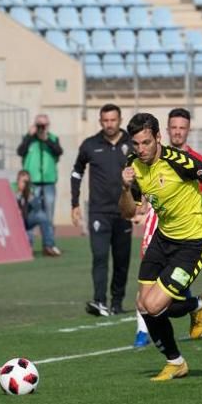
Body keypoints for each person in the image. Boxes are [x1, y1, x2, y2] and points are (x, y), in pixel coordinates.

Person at [120, 112, 202, 381]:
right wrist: (124, 188)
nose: (141, 149)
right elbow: (128, 211)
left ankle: (196, 305)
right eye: (136, 144)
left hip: (193, 242)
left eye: (146, 142)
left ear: (158, 137)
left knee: (154, 305)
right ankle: (176, 361)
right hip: (163, 238)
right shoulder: (133, 166)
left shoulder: (180, 162)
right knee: (142, 305)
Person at [133, 108, 202, 349]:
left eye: (182, 128)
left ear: (188, 130)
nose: (177, 132)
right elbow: (143, 194)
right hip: (158, 229)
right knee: (145, 293)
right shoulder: (149, 158)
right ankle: (142, 331)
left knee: (168, 298)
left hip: (187, 234)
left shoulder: (194, 160)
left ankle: (196, 306)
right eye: (174, 127)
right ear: (165, 131)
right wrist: (140, 211)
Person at [71, 104, 133, 316]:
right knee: (99, 257)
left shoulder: (132, 144)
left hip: (124, 211)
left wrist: (142, 203)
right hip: (98, 212)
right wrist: (75, 203)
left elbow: (144, 175)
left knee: (122, 260)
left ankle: (117, 302)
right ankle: (100, 302)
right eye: (105, 121)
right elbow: (76, 173)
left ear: (120, 120)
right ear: (100, 122)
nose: (109, 124)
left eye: (113, 120)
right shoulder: (90, 145)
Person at [17, 113, 62, 256]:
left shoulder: (53, 138)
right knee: (29, 213)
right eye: (39, 125)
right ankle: (28, 245)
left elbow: (58, 151)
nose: (41, 128)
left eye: (44, 125)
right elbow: (20, 151)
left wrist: (46, 139)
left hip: (48, 180)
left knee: (48, 214)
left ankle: (48, 245)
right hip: (32, 182)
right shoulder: (29, 139)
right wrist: (30, 136)